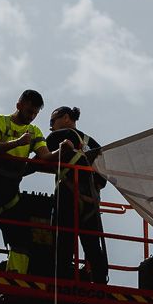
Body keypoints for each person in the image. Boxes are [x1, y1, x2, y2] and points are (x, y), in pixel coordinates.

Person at [0, 89, 57, 273]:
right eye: (29, 112)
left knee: (22, 239)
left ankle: (15, 278)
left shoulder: (34, 132)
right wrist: (18, 143)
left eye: (35, 114)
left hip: (10, 193)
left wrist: (62, 151)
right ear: (19, 105)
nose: (32, 117)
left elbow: (45, 156)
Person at [43, 105, 109, 283]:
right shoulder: (93, 144)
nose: (51, 127)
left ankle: (63, 283)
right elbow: (103, 180)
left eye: (52, 122)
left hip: (68, 195)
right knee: (93, 247)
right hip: (91, 201)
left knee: (63, 243)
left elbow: (41, 159)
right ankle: (101, 285)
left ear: (65, 118)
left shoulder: (58, 136)